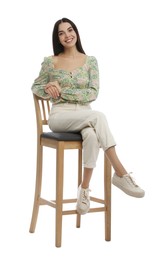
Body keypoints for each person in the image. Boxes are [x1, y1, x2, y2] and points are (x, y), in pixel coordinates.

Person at [31, 17, 145, 215]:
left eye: (70, 30)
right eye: (61, 33)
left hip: (85, 114)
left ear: (76, 31)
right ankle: (120, 172)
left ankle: (83, 189)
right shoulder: (51, 62)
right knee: (98, 117)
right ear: (57, 38)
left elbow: (92, 93)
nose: (67, 35)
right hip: (60, 116)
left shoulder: (91, 61)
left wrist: (61, 90)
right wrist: (49, 87)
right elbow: (36, 87)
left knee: (92, 135)